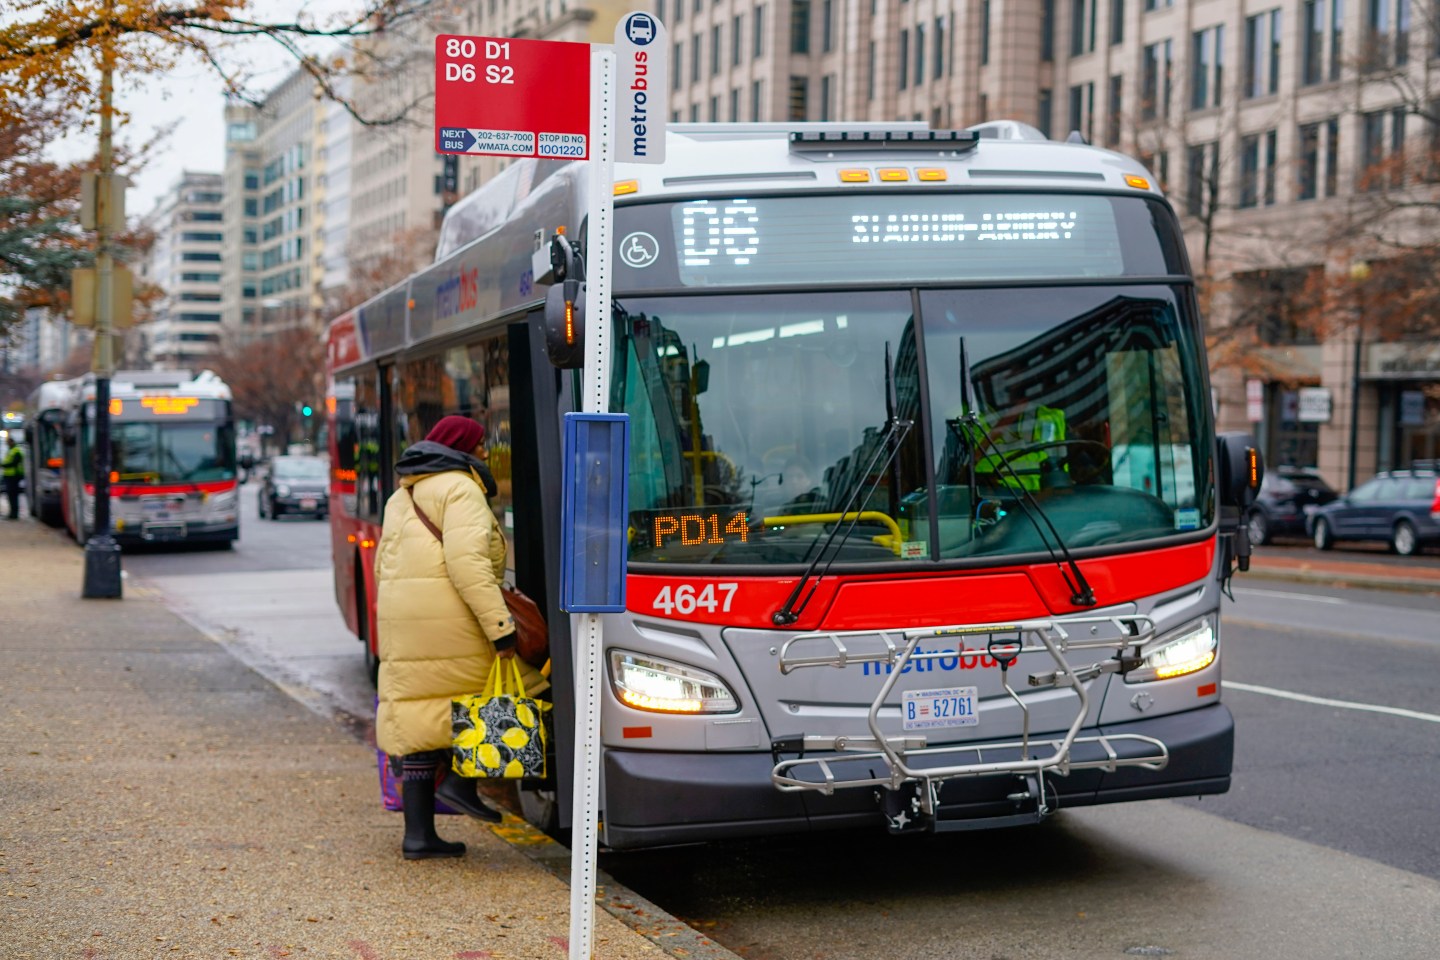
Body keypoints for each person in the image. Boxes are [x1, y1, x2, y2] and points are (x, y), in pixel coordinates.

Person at [373, 414, 548, 860]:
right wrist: (501, 628)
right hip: (451, 617)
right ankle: (461, 782)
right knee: (517, 684)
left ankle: (419, 836)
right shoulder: (461, 488)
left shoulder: (402, 493)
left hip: (406, 620)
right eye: (481, 444)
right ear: (462, 447)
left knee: (420, 718)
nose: (487, 451)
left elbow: (382, 567)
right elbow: (468, 567)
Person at [2, 436, 23, 520]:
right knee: (11, 496)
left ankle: (14, 514)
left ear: (12, 442)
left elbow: (14, 463)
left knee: (13, 496)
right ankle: (12, 513)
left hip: (14, 476)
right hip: (9, 476)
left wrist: (3, 465)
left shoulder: (16, 451)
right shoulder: (11, 450)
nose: (7, 444)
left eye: (8, 442)